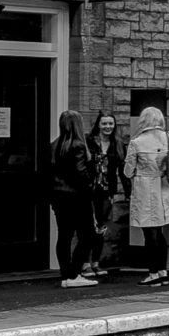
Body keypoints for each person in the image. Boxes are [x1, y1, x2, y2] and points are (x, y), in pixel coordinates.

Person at [123, 106, 169, 287]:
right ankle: (163, 271)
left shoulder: (137, 142)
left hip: (145, 187)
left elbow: (128, 171)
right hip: (165, 187)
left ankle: (153, 273)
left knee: (149, 233)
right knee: (159, 233)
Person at [49, 110, 102, 288]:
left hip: (59, 197)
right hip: (78, 198)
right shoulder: (78, 145)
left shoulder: (54, 145)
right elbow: (81, 174)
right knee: (88, 236)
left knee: (64, 236)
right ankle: (73, 274)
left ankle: (66, 275)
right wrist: (91, 191)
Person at [85, 112, 126, 279]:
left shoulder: (117, 143)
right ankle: (85, 263)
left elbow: (123, 169)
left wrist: (126, 191)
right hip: (89, 189)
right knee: (87, 227)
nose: (108, 127)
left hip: (106, 191)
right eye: (104, 124)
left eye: (111, 124)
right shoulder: (89, 141)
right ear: (98, 125)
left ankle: (96, 262)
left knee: (101, 228)